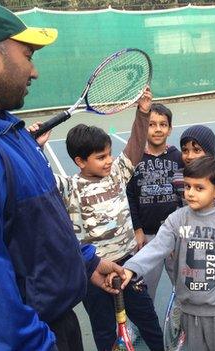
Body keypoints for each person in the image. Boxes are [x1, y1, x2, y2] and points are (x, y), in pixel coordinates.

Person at [0, 2, 125, 350]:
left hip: (49, 324)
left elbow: (36, 225)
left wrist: (86, 263)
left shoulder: (4, 126)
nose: (33, 71)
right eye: (28, 55)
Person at [30, 89, 164, 351]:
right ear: (80, 161)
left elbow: (135, 148)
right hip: (92, 273)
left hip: (128, 265)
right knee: (104, 333)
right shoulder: (70, 187)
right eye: (101, 157)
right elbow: (40, 177)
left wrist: (143, 112)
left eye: (109, 154)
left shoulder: (117, 174)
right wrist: (36, 147)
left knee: (149, 322)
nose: (109, 161)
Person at [118, 156, 215, 350]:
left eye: (199, 188)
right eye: (188, 186)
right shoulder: (176, 219)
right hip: (189, 311)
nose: (190, 193)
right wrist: (131, 268)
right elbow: (156, 247)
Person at [126, 103, 183, 300]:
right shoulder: (134, 159)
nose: (158, 129)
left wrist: (182, 234)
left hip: (176, 236)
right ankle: (143, 330)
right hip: (148, 238)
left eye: (163, 124)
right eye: (151, 124)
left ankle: (182, 327)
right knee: (145, 292)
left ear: (170, 128)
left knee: (185, 289)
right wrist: (137, 229)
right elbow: (130, 197)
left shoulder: (179, 158)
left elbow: (185, 196)